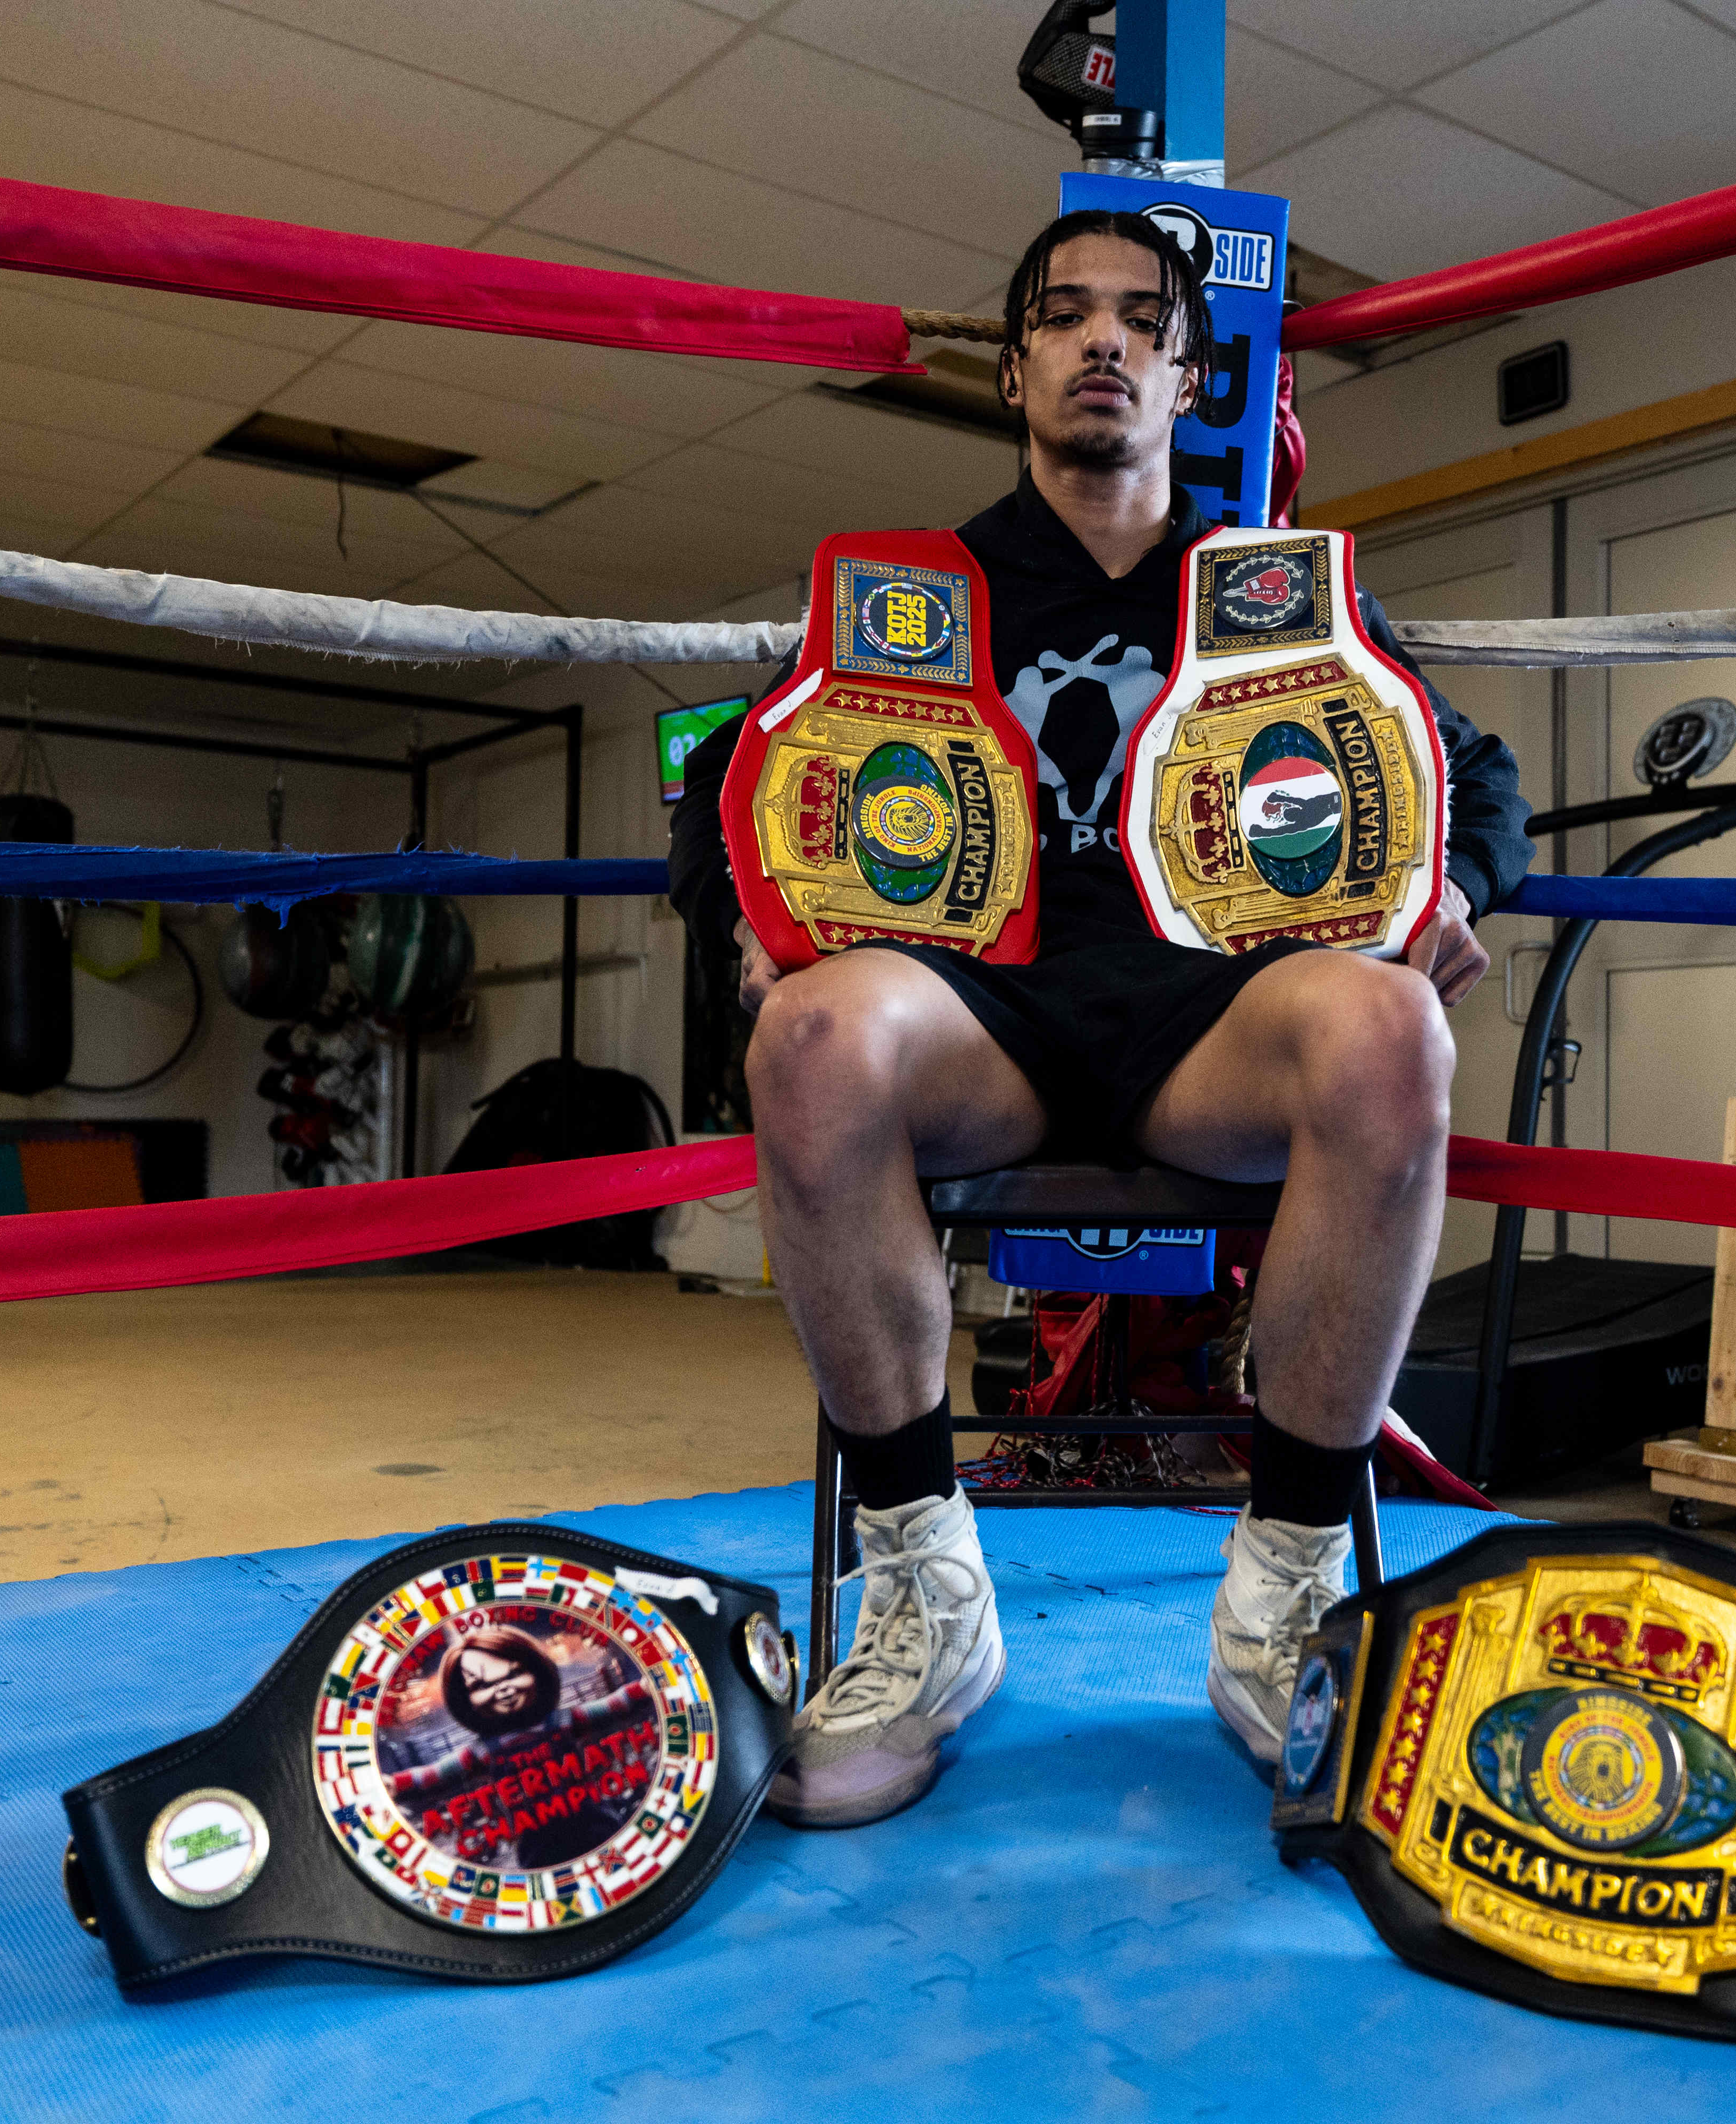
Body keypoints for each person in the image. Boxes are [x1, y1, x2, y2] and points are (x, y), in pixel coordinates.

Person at [667, 209, 1529, 1829]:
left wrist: (1459, 884)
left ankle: (1281, 1596)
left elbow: (1467, 769)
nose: (1105, 342)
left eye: (1143, 319)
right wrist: (750, 932)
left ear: (1192, 372)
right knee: (811, 1039)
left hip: (1210, 1021)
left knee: (1394, 1030)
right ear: (1015, 369)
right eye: (1066, 317)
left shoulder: (1260, 590)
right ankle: (927, 1595)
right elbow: (734, 779)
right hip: (977, 1023)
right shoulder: (916, 594)